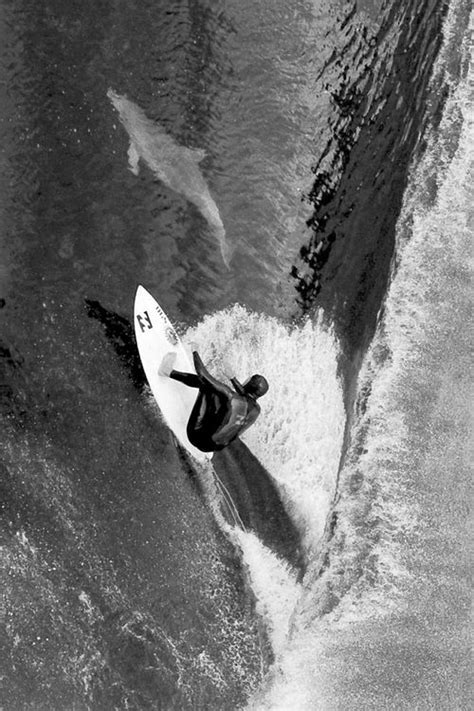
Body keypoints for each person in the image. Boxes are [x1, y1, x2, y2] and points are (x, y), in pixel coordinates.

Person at [159, 350, 268, 452]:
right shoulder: (256, 410)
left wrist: (195, 352)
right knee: (221, 399)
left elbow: (203, 374)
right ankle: (209, 431)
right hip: (213, 448)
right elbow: (246, 395)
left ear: (248, 384)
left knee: (207, 385)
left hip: (195, 436)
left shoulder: (231, 396)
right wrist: (232, 378)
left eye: (248, 379)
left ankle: (167, 371)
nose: (246, 379)